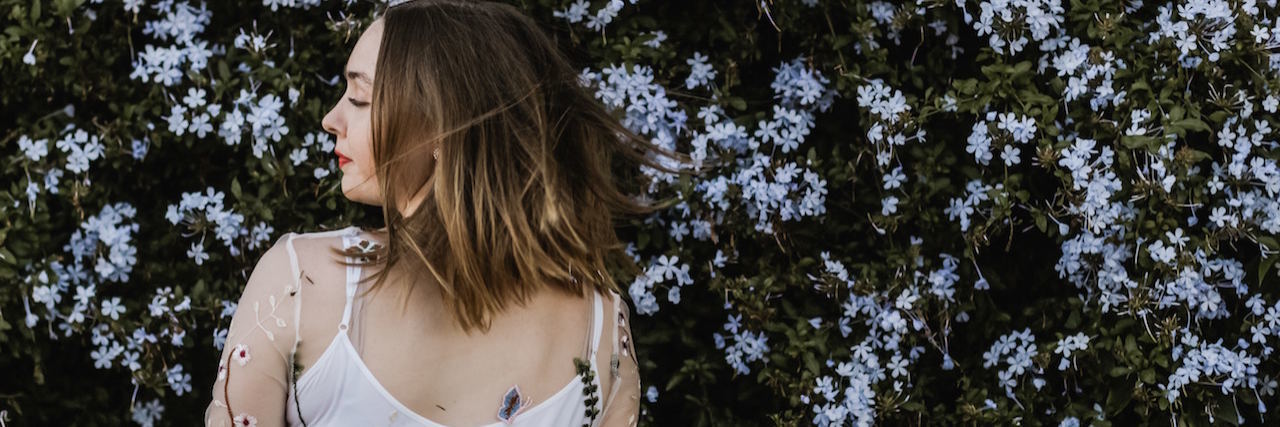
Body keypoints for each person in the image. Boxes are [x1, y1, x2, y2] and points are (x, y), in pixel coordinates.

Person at [203, 0, 696, 425]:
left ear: (442, 129)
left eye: (359, 98)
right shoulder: (600, 328)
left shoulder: (299, 283)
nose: (332, 119)